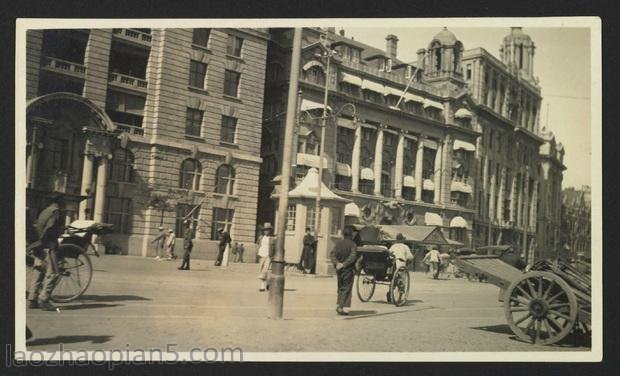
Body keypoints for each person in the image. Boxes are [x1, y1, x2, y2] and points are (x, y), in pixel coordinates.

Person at [27, 194, 66, 310]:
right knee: (54, 273)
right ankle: (44, 299)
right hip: (48, 245)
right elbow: (50, 228)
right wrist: (46, 242)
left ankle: (32, 299)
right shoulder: (56, 212)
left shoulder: (45, 211)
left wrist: (38, 244)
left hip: (38, 245)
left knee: (39, 271)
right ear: (60, 202)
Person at [329, 226, 358, 316]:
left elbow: (332, 254)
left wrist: (337, 263)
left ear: (343, 234)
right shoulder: (353, 244)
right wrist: (344, 264)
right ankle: (342, 307)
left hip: (339, 270)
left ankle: (339, 304)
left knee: (340, 287)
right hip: (348, 269)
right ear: (351, 235)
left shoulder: (338, 244)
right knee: (347, 288)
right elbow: (353, 256)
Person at [386, 234, 414, 302]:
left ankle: (390, 292)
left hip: (392, 266)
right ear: (402, 240)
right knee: (402, 279)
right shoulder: (405, 247)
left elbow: (389, 254)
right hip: (400, 265)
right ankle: (400, 297)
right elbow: (410, 257)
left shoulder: (393, 246)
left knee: (393, 279)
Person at [256, 223, 275, 291]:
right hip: (261, 255)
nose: (266, 231)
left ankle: (262, 287)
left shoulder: (272, 238)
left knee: (265, 271)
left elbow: (274, 248)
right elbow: (258, 245)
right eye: (265, 230)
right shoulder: (261, 237)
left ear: (270, 230)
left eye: (267, 230)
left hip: (268, 256)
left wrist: (273, 256)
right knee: (261, 271)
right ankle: (268, 283)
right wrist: (257, 253)